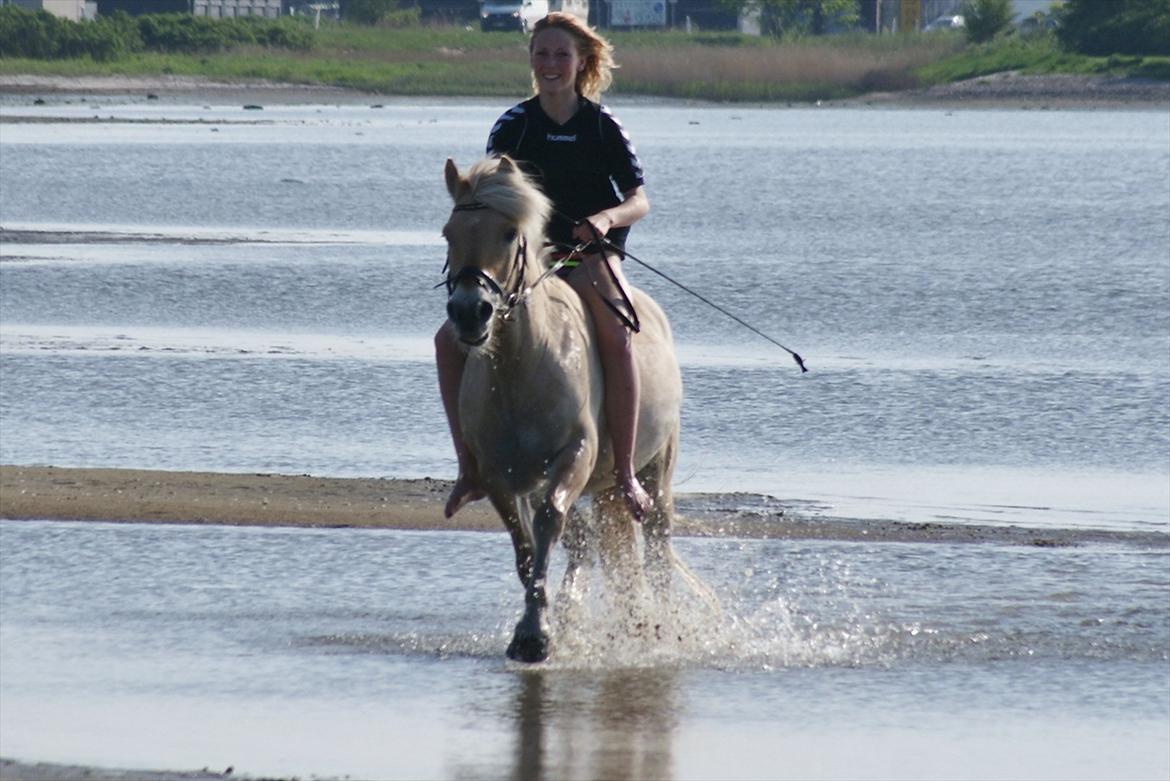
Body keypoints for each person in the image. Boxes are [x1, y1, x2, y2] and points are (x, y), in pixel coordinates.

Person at [436, 11, 653, 522]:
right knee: (446, 342)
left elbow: (639, 200)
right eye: (542, 54)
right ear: (531, 61)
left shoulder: (603, 126)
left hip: (590, 254)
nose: (550, 64)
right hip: (525, 261)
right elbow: (489, 198)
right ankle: (469, 469)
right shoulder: (514, 125)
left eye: (561, 55)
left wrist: (606, 218)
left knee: (619, 336)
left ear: (581, 63)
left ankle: (623, 474)